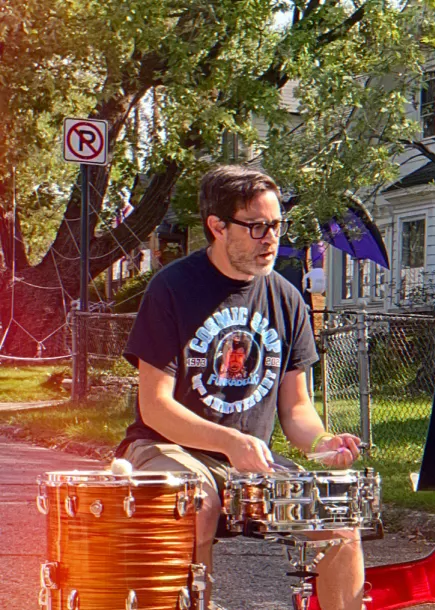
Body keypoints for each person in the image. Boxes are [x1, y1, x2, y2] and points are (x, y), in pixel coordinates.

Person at [115, 166, 365, 610]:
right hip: (164, 448)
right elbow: (154, 408)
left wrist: (324, 442)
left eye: (276, 226)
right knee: (197, 501)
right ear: (217, 226)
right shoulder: (171, 289)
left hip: (249, 463)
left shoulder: (288, 299)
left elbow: (296, 410)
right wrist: (229, 441)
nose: (270, 238)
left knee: (340, 520)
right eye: (256, 226)